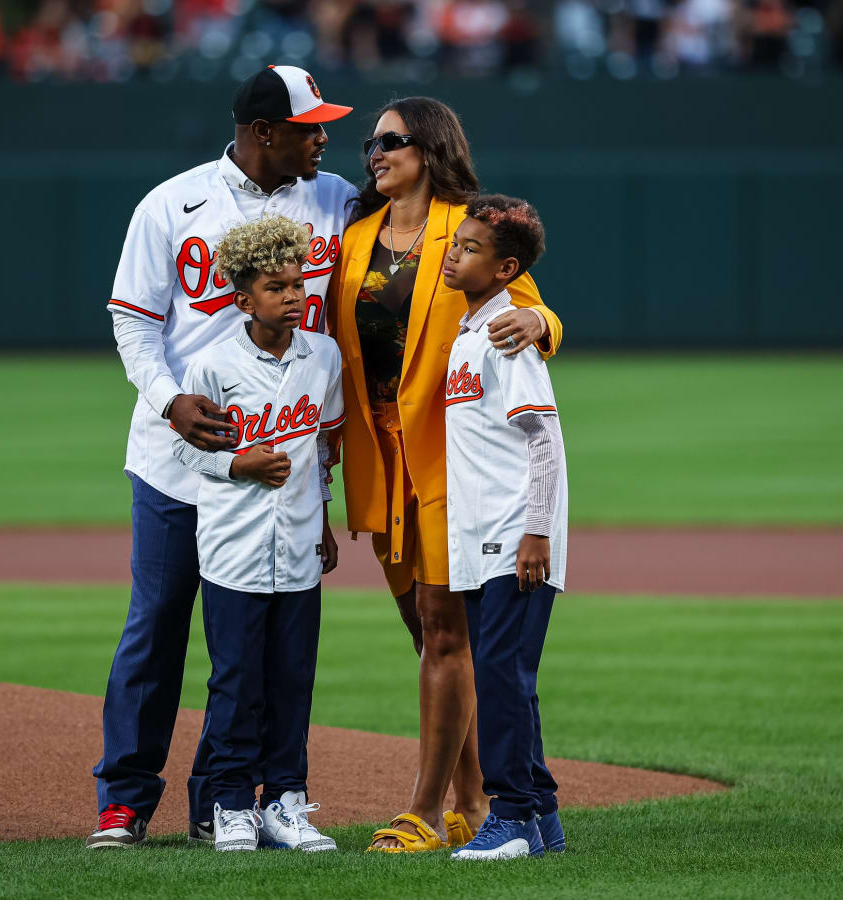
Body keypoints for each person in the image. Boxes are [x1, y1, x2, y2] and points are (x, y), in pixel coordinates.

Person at [87, 64, 355, 850]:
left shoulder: (336, 197)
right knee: (160, 626)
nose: (324, 138)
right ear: (264, 132)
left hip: (279, 468)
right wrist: (170, 400)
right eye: (311, 127)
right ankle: (125, 800)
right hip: (179, 458)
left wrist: (536, 316)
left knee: (257, 643)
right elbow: (134, 323)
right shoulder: (172, 203)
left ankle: (223, 800)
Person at [326, 96, 563, 853]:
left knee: (443, 629)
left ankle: (425, 812)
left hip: (447, 459)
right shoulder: (356, 236)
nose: (373, 151)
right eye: (370, 142)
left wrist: (544, 323)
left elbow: (529, 308)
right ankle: (473, 798)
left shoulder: (466, 228)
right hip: (380, 456)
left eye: (390, 140)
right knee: (424, 632)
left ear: (429, 148)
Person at [171, 215, 344, 853]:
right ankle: (230, 805)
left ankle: (287, 804)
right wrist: (235, 463)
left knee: (293, 680)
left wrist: (324, 521)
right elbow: (187, 454)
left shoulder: (321, 356)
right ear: (244, 298)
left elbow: (324, 448)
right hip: (232, 549)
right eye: (277, 288)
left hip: (298, 547)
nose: (293, 297)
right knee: (237, 683)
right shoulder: (212, 363)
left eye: (298, 285)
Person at [439, 194, 567, 861]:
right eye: (454, 242)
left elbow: (543, 439)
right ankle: (541, 818)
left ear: (505, 267)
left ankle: (510, 817)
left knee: (499, 674)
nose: (453, 253)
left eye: (470, 247)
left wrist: (536, 533)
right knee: (507, 675)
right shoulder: (469, 332)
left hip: (515, 534)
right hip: (486, 532)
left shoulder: (506, 334)